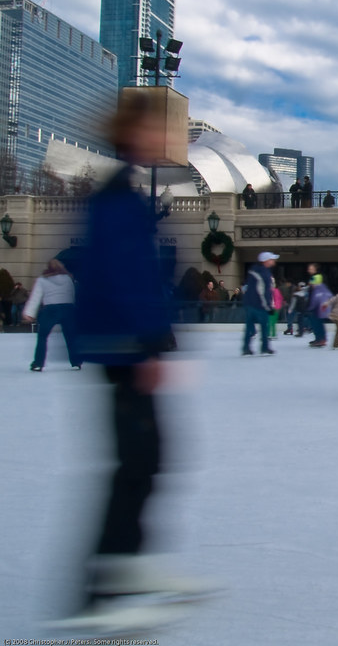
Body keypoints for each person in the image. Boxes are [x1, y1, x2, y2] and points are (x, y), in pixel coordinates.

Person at [57, 95, 214, 632]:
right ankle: (102, 592)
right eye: (154, 131)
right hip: (123, 348)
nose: (163, 140)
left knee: (144, 462)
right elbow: (124, 277)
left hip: (125, 344)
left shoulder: (123, 194)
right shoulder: (119, 199)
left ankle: (129, 570)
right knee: (138, 464)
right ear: (133, 136)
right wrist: (147, 342)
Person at [23, 258, 80, 371]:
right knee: (71, 337)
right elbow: (72, 294)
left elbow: (36, 297)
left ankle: (38, 363)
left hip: (50, 309)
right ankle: (76, 361)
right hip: (68, 308)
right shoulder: (68, 278)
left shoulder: (42, 280)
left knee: (43, 337)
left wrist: (29, 313)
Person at [242, 252, 278, 356]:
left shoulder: (253, 270)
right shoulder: (264, 273)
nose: (273, 261)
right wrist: (268, 306)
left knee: (249, 327)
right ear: (266, 261)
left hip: (249, 303)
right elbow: (262, 291)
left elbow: (249, 288)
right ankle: (265, 347)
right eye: (272, 259)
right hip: (260, 305)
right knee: (264, 326)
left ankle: (246, 347)